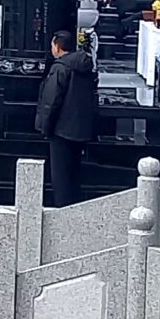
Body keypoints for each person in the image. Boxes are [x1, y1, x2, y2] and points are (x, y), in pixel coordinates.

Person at [35, 30, 98, 208]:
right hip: (80, 128)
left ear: (57, 47)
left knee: (61, 177)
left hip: (61, 129)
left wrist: (45, 126)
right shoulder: (84, 66)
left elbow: (51, 100)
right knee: (74, 174)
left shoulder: (60, 68)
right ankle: (75, 210)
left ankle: (63, 213)